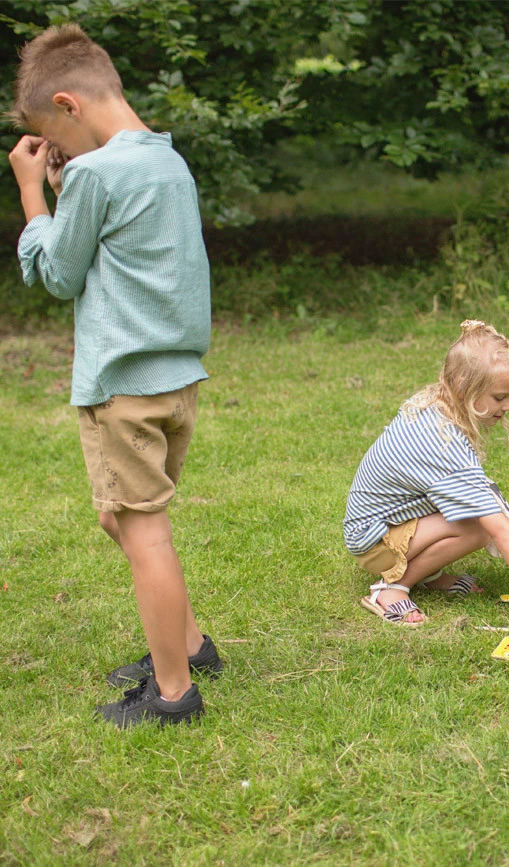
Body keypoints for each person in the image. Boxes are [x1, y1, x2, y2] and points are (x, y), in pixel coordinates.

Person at [8, 24, 221, 727]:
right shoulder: (165, 160)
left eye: (53, 138)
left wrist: (33, 194)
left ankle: (171, 693)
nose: (57, 154)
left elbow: (60, 273)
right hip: (174, 382)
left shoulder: (96, 174)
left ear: (66, 103)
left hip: (122, 386)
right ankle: (190, 645)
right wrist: (71, 179)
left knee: (142, 529)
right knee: (120, 516)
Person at [344, 320, 509, 639]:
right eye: (499, 397)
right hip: (372, 541)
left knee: (482, 505)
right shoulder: (442, 444)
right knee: (478, 527)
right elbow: (497, 526)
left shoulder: (436, 406)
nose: (508, 406)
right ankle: (392, 588)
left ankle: (428, 573)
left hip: (388, 522)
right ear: (462, 387)